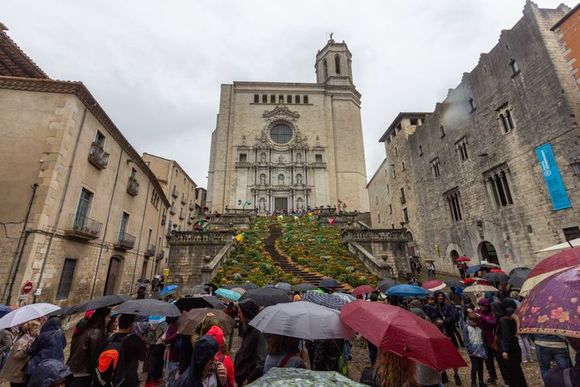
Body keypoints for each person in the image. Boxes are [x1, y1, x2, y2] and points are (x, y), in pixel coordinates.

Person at [99, 313, 147, 387]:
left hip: (113, 378)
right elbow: (143, 357)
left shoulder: (110, 338)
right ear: (131, 325)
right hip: (130, 378)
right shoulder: (134, 339)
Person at [67, 307, 110, 387]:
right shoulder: (96, 333)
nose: (109, 319)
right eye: (108, 317)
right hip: (82, 373)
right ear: (102, 317)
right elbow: (94, 356)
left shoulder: (85, 328)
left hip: (72, 369)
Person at [494, 298, 528, 387]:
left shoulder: (503, 320)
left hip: (510, 350)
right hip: (514, 348)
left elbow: (506, 336)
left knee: (512, 373)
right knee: (516, 372)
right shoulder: (511, 317)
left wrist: (505, 350)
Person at [234, 299, 267, 385]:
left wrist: (249, 379)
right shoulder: (248, 330)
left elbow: (262, 361)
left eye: (240, 312)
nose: (238, 315)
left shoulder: (258, 332)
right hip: (243, 378)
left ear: (246, 313)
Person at [0, 320, 40, 387]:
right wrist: (27, 350)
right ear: (30, 330)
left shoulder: (29, 339)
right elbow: (17, 355)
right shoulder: (24, 341)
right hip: (16, 372)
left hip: (18, 372)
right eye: (36, 329)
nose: (38, 331)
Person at [475, 298, 500, 385]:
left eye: (483, 305)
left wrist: (482, 317)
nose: (482, 307)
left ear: (487, 306)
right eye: (480, 305)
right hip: (482, 339)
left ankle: (506, 378)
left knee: (499, 359)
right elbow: (475, 323)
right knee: (488, 360)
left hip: (492, 339)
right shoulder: (478, 312)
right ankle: (492, 377)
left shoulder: (492, 313)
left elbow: (493, 323)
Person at [463, 313, 486, 387]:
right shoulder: (466, 328)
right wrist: (471, 351)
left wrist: (485, 352)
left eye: (476, 321)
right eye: (473, 321)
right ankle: (473, 382)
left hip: (481, 349)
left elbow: (483, 340)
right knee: (475, 366)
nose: (474, 323)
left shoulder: (479, 328)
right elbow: (466, 340)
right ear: (469, 320)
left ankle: (481, 381)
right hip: (473, 350)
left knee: (481, 366)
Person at [163, 317, 180, 387]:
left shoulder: (185, 326)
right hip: (173, 357)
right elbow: (166, 340)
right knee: (171, 377)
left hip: (181, 357)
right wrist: (176, 334)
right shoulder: (171, 326)